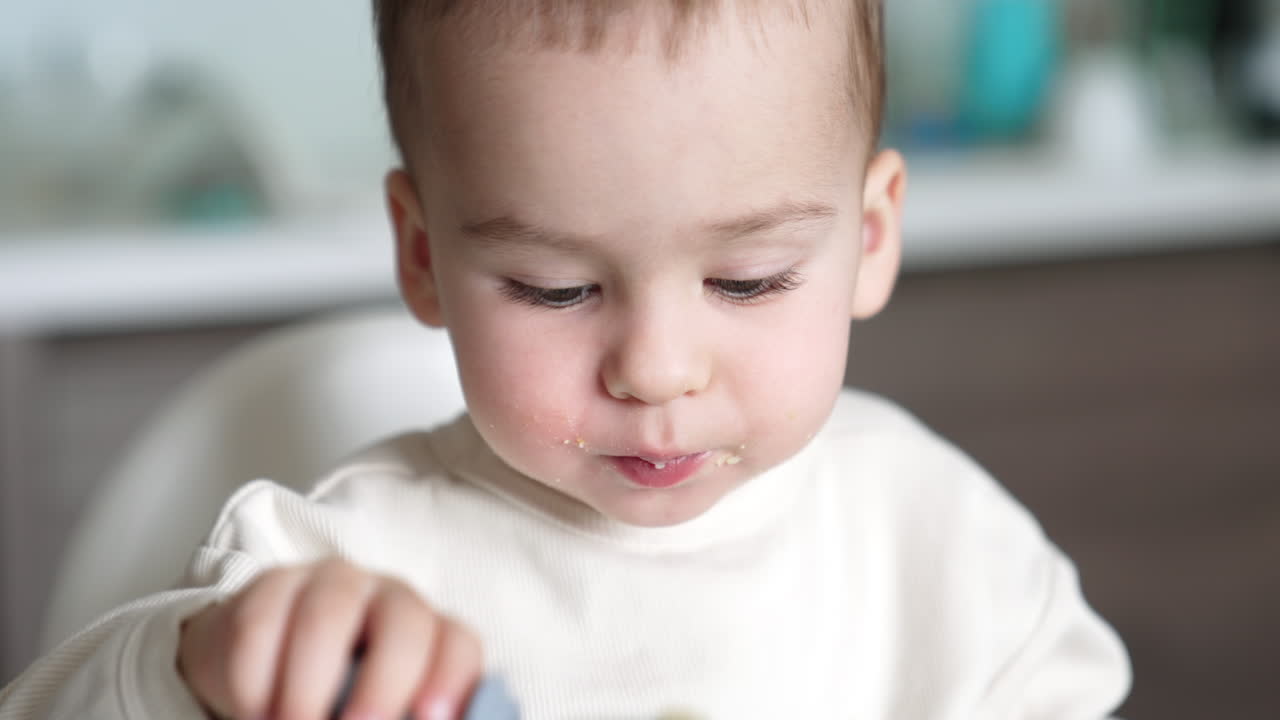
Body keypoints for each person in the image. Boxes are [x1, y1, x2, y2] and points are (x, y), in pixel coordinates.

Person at [0, 1, 1131, 718]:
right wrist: (195, 666)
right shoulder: (333, 568)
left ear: (870, 238)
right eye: (556, 289)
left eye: (746, 280)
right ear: (423, 256)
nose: (654, 368)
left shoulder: (940, 548)